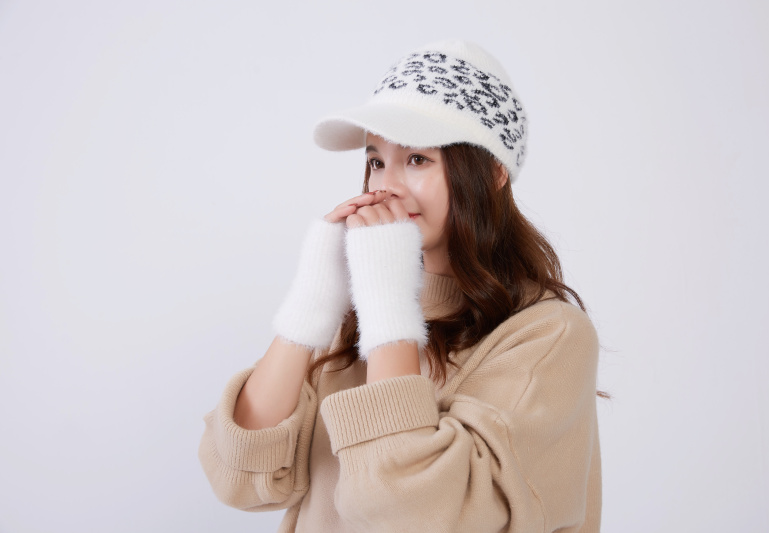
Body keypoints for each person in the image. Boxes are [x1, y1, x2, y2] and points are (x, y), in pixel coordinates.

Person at [199, 39, 606, 533]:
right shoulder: (354, 322)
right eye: (376, 161)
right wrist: (311, 307)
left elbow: (409, 512)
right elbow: (239, 478)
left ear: (493, 173)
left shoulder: (548, 336)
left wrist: (388, 308)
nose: (386, 185)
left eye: (416, 158)